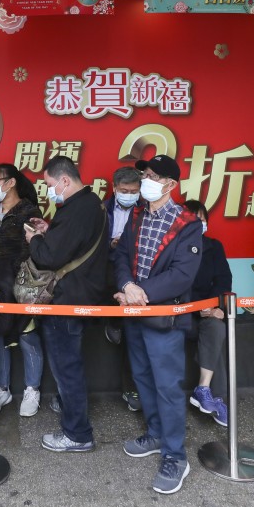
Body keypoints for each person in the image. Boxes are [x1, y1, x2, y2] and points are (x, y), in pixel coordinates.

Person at [113, 155, 202, 495]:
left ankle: (176, 456)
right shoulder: (137, 214)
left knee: (168, 386)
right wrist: (126, 287)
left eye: (151, 176)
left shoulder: (188, 223)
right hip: (134, 314)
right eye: (144, 173)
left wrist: (140, 292)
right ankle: (155, 433)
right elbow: (121, 257)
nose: (145, 180)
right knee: (143, 379)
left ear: (170, 185)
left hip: (164, 318)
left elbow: (182, 275)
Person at [24, 155, 109, 453]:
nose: (49, 191)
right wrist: (49, 232)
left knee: (66, 367)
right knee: (70, 362)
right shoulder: (91, 204)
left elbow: (48, 257)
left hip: (67, 300)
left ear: (64, 180)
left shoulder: (77, 210)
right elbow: (70, 244)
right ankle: (69, 406)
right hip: (81, 296)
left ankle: (77, 433)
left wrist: (34, 239)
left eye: (49, 184)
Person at [0, 163, 47, 418]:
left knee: (27, 335)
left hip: (22, 282)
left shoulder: (29, 211)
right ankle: (2, 388)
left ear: (10, 183)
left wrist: (14, 275)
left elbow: (32, 248)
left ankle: (33, 389)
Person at [183, 199, 232, 427]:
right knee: (210, 336)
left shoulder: (214, 246)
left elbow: (223, 279)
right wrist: (196, 307)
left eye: (202, 219)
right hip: (183, 313)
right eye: (194, 219)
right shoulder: (174, 248)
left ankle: (205, 390)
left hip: (208, 310)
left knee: (216, 328)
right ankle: (218, 397)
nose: (199, 223)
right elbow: (176, 284)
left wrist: (214, 307)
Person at [104, 166, 144, 412]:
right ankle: (112, 323)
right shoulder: (101, 209)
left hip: (135, 278)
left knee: (133, 332)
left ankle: (132, 389)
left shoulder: (147, 210)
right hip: (106, 274)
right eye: (124, 191)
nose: (129, 195)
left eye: (134, 191)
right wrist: (111, 244)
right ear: (114, 187)